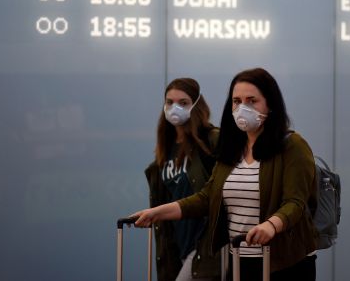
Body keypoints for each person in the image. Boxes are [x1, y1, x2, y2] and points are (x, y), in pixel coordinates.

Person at [132, 68, 318, 281]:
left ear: (271, 104)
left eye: (252, 101)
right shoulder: (232, 148)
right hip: (239, 258)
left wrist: (271, 225)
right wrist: (158, 212)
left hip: (285, 262)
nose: (242, 108)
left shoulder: (292, 145)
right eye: (236, 101)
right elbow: (207, 197)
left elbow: (295, 202)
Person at [145, 78, 221, 281]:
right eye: (169, 102)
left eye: (183, 102)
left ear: (196, 105)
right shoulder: (165, 151)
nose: (174, 108)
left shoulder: (211, 140)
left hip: (205, 245)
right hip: (179, 246)